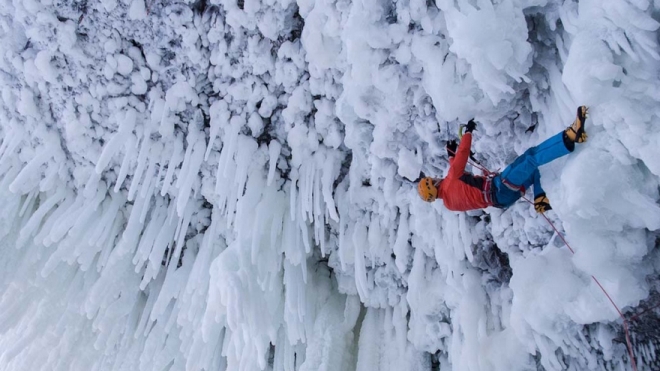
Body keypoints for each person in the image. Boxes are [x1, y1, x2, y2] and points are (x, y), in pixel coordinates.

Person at [417, 106, 589, 213]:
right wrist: (468, 133)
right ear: (434, 185)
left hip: (503, 200)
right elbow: (461, 158)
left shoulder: (449, 204)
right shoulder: (450, 180)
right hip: (499, 187)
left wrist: (450, 155)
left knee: (532, 171)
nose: (435, 178)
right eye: (432, 180)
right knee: (530, 158)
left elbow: (456, 175)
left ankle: (540, 198)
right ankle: (569, 137)